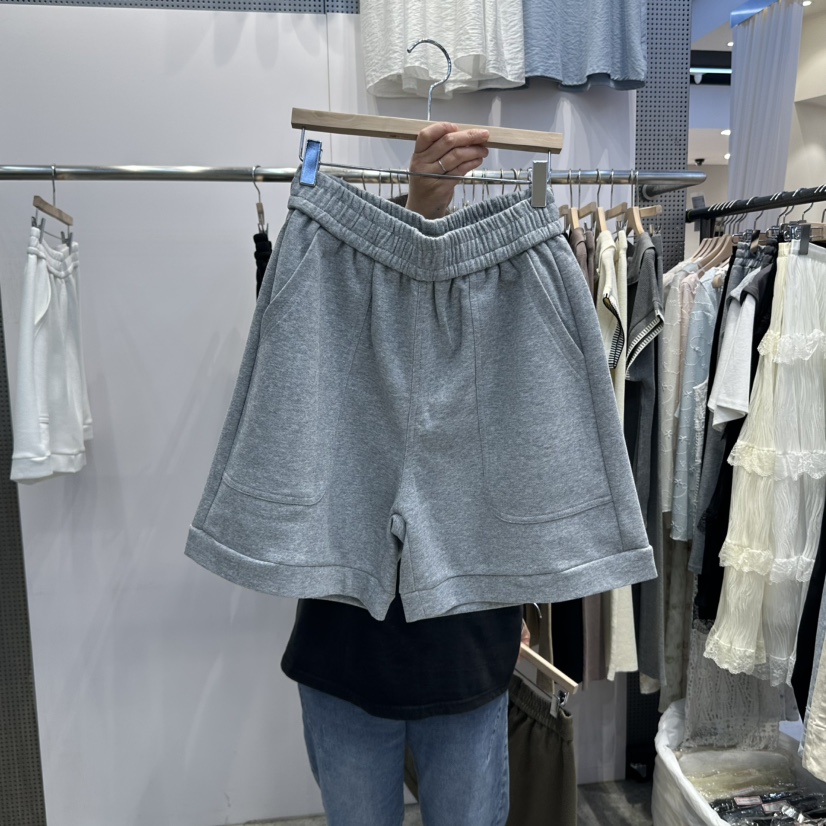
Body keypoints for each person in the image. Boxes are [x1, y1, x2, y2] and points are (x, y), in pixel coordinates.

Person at [280, 122, 531, 826]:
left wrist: (528, 589)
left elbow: (529, 467)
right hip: (346, 652)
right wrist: (417, 208)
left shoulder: (510, 303)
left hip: (467, 653)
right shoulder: (328, 286)